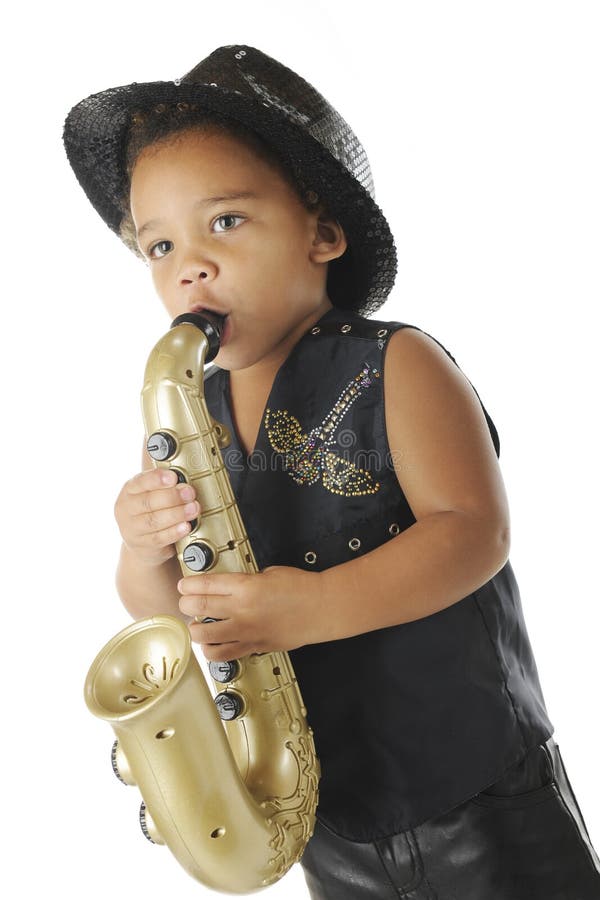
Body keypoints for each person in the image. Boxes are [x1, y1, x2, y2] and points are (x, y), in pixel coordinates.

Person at [64, 44, 600, 899]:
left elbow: (475, 531)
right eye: (159, 246)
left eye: (226, 222)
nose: (189, 265)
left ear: (323, 233)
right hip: (325, 807)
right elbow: (181, 610)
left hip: (475, 794)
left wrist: (310, 608)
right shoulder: (183, 409)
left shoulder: (399, 363)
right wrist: (143, 553)